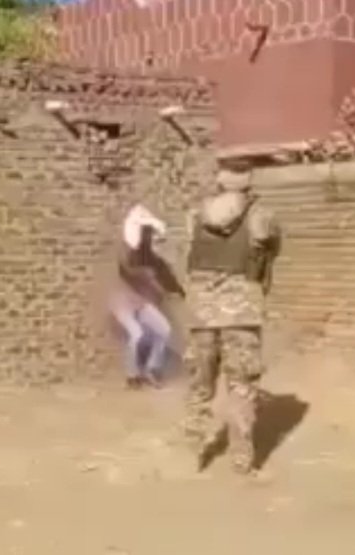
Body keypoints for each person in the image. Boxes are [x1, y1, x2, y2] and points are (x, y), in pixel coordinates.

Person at [183, 169, 281, 475]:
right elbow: (271, 253)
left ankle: (193, 455)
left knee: (199, 385)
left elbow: (190, 257)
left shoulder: (196, 215)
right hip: (241, 311)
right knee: (241, 386)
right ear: (249, 186)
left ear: (219, 184)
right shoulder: (262, 216)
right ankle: (242, 461)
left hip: (201, 311)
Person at [110, 204, 184, 389]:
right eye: (147, 232)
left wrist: (177, 290)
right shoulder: (126, 251)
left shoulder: (150, 256)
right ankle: (132, 375)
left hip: (142, 301)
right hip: (123, 301)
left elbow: (165, 274)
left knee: (164, 330)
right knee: (137, 334)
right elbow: (128, 272)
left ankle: (152, 369)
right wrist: (149, 279)